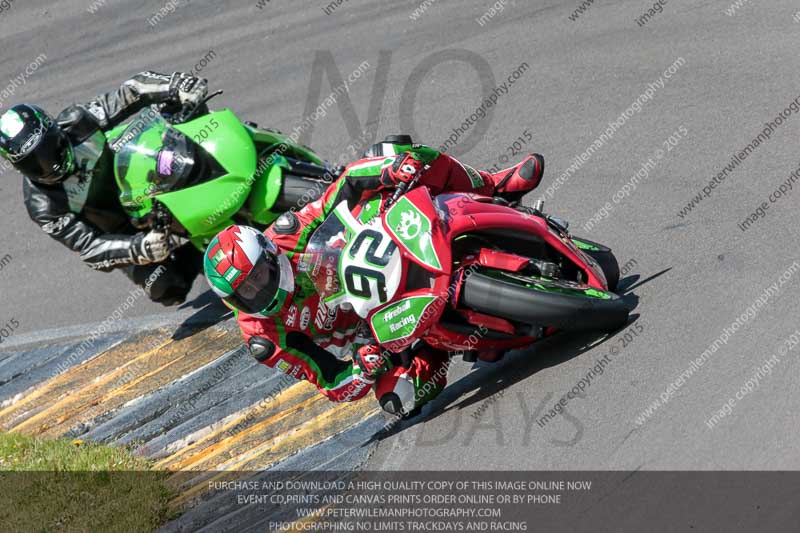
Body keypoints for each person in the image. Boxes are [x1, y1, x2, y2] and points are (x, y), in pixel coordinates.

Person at [203, 137, 545, 416]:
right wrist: (361, 370)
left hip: (378, 259)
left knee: (399, 153)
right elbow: (330, 381)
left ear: (269, 253)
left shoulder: (286, 234)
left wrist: (390, 171)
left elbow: (342, 188)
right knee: (397, 399)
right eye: (245, 293)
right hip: (378, 335)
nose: (257, 292)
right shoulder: (264, 338)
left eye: (258, 277)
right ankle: (444, 350)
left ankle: (494, 185)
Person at [0, 71, 209, 305]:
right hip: (124, 231)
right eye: (34, 163)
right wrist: (139, 248)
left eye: (49, 148)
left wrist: (175, 85)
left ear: (56, 130)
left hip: (149, 185)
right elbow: (90, 249)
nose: (50, 165)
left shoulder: (78, 121)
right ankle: (200, 254)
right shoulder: (43, 205)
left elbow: (132, 91)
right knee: (166, 287)